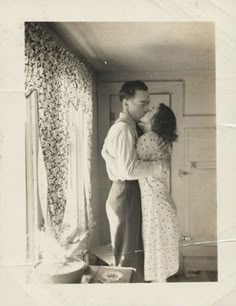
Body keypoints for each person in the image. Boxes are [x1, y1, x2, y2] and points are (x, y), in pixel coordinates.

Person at [101, 81, 169, 282]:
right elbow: (128, 170)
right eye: (142, 103)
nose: (146, 108)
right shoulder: (123, 130)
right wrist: (160, 165)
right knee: (128, 254)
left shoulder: (132, 127)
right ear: (125, 103)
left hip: (130, 192)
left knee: (134, 252)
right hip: (126, 192)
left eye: (148, 103)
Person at [136, 103, 180, 282]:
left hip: (156, 207)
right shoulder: (159, 140)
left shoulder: (149, 139)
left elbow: (128, 166)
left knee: (158, 265)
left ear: (156, 120)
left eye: (152, 109)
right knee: (160, 265)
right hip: (161, 204)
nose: (148, 109)